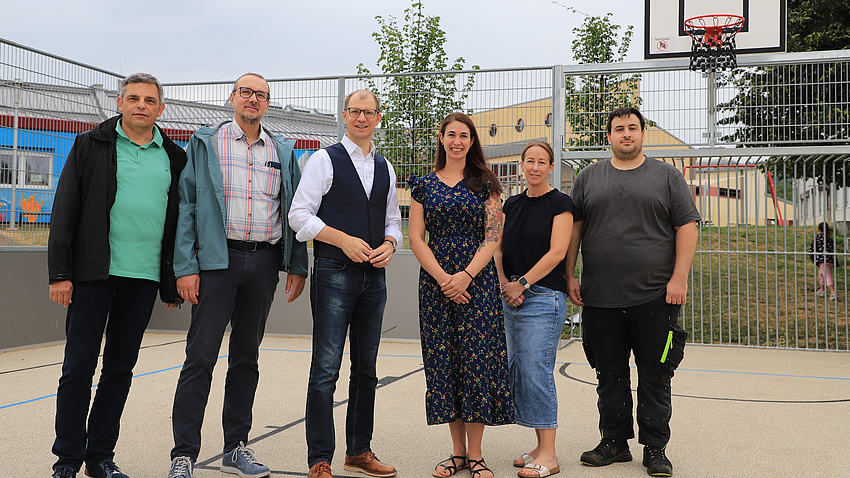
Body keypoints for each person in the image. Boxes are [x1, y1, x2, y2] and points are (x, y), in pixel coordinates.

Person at [167, 72, 308, 478]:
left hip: (262, 263)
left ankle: (236, 448)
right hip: (216, 262)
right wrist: (186, 266)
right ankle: (184, 454)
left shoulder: (282, 151)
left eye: (261, 95)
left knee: (246, 358)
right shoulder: (207, 144)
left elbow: (294, 209)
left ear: (268, 103)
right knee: (200, 357)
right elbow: (188, 206)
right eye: (246, 92)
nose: (253, 99)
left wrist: (296, 264)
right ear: (231, 97)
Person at [47, 73, 187, 478]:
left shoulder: (173, 156)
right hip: (93, 275)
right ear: (121, 104)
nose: (141, 105)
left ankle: (100, 458)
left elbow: (178, 221)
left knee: (120, 370)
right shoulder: (91, 144)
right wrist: (60, 273)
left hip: (142, 279)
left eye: (149, 100)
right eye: (133, 99)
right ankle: (68, 460)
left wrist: (171, 277)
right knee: (78, 368)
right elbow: (65, 212)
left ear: (161, 109)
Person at [565, 107, 699, 477]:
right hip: (599, 296)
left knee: (656, 374)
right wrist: (570, 275)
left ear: (643, 134)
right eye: (619, 129)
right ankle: (614, 442)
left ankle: (655, 448)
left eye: (633, 128)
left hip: (655, 295)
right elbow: (573, 232)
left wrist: (679, 278)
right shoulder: (588, 177)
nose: (626, 134)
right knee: (608, 374)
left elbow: (687, 226)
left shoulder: (667, 176)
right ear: (608, 136)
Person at [288, 90, 402, 478]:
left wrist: (389, 244)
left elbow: (393, 220)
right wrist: (342, 239)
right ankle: (319, 458)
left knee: (366, 369)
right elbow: (298, 215)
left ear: (378, 118)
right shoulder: (324, 160)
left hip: (375, 277)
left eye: (368, 112)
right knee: (325, 369)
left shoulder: (385, 167)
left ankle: (359, 451)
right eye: (355, 111)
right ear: (344, 115)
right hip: (335, 273)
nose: (361, 118)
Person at [408, 112, 513, 478]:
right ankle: (456, 453)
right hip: (436, 286)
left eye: (464, 136)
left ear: (472, 141)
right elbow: (416, 238)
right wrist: (443, 279)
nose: (457, 141)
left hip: (477, 284)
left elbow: (493, 236)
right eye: (451, 134)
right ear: (441, 138)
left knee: (476, 362)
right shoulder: (422, 185)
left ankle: (477, 455)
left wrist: (466, 276)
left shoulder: (486, 183)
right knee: (445, 362)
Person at [494, 141, 573, 478]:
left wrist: (522, 284)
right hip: (510, 294)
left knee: (536, 370)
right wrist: (504, 285)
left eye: (542, 162)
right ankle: (538, 448)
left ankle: (551, 455)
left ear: (551, 167)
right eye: (530, 161)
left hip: (542, 298)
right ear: (521, 165)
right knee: (520, 371)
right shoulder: (510, 203)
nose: (535, 167)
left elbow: (557, 253)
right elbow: (496, 249)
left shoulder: (562, 204)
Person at [809, 222, 836, 298]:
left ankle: (833, 292)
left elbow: (812, 249)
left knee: (826, 275)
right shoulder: (829, 238)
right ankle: (822, 289)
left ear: (818, 229)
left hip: (822, 259)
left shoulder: (817, 237)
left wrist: (813, 257)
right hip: (831, 259)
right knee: (821, 273)